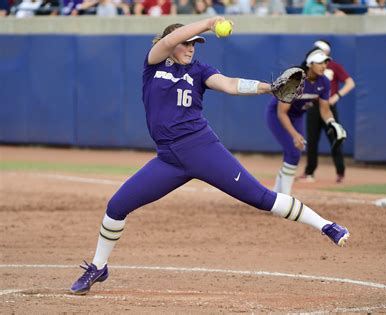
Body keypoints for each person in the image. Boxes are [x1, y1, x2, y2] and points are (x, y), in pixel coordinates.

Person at [70, 17, 350, 295]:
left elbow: (229, 84)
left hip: (202, 149)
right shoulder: (154, 65)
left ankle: (326, 225)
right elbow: (167, 41)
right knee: (117, 206)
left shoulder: (200, 71)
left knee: (262, 198)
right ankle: (98, 266)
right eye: (186, 43)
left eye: (195, 45)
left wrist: (268, 87)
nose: (191, 48)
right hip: (168, 160)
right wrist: (207, 23)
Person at [266, 50, 344, 195]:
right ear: (310, 64)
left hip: (297, 116)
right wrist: (295, 135)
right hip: (278, 115)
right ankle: (286, 198)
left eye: (326, 62)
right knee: (293, 151)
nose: (324, 66)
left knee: (294, 152)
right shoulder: (296, 80)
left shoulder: (324, 81)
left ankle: (276, 196)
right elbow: (282, 112)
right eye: (320, 62)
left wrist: (333, 123)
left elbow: (325, 110)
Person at [300, 40, 355, 184]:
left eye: (320, 49)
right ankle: (309, 172)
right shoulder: (310, 68)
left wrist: (337, 96)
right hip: (313, 105)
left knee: (335, 137)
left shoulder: (334, 66)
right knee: (312, 140)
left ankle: (340, 172)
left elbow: (350, 83)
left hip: (328, 106)